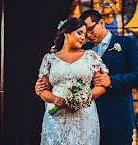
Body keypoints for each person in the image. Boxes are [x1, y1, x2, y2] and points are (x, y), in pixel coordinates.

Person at [37, 10, 138, 145]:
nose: (87, 35)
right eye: (83, 32)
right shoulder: (82, 48)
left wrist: (112, 81)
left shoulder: (127, 43)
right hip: (84, 117)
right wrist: (43, 87)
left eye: (90, 29)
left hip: (116, 118)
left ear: (101, 22)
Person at [36, 17, 110, 145]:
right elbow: (43, 90)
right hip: (56, 116)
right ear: (66, 33)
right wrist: (54, 99)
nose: (83, 38)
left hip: (84, 115)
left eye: (85, 34)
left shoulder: (91, 56)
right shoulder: (49, 59)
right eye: (79, 33)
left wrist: (83, 99)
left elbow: (101, 86)